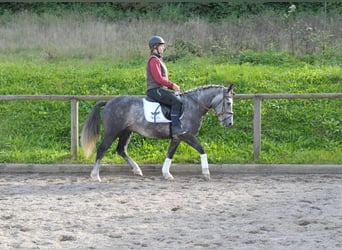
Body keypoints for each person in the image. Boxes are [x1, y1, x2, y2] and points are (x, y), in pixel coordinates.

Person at [146, 35, 187, 136]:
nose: (163, 48)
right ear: (155, 47)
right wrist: (172, 85)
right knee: (177, 102)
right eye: (161, 46)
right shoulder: (153, 60)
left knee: (178, 99)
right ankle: (176, 127)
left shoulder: (158, 60)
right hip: (155, 90)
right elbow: (158, 78)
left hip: (159, 89)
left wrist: (170, 87)